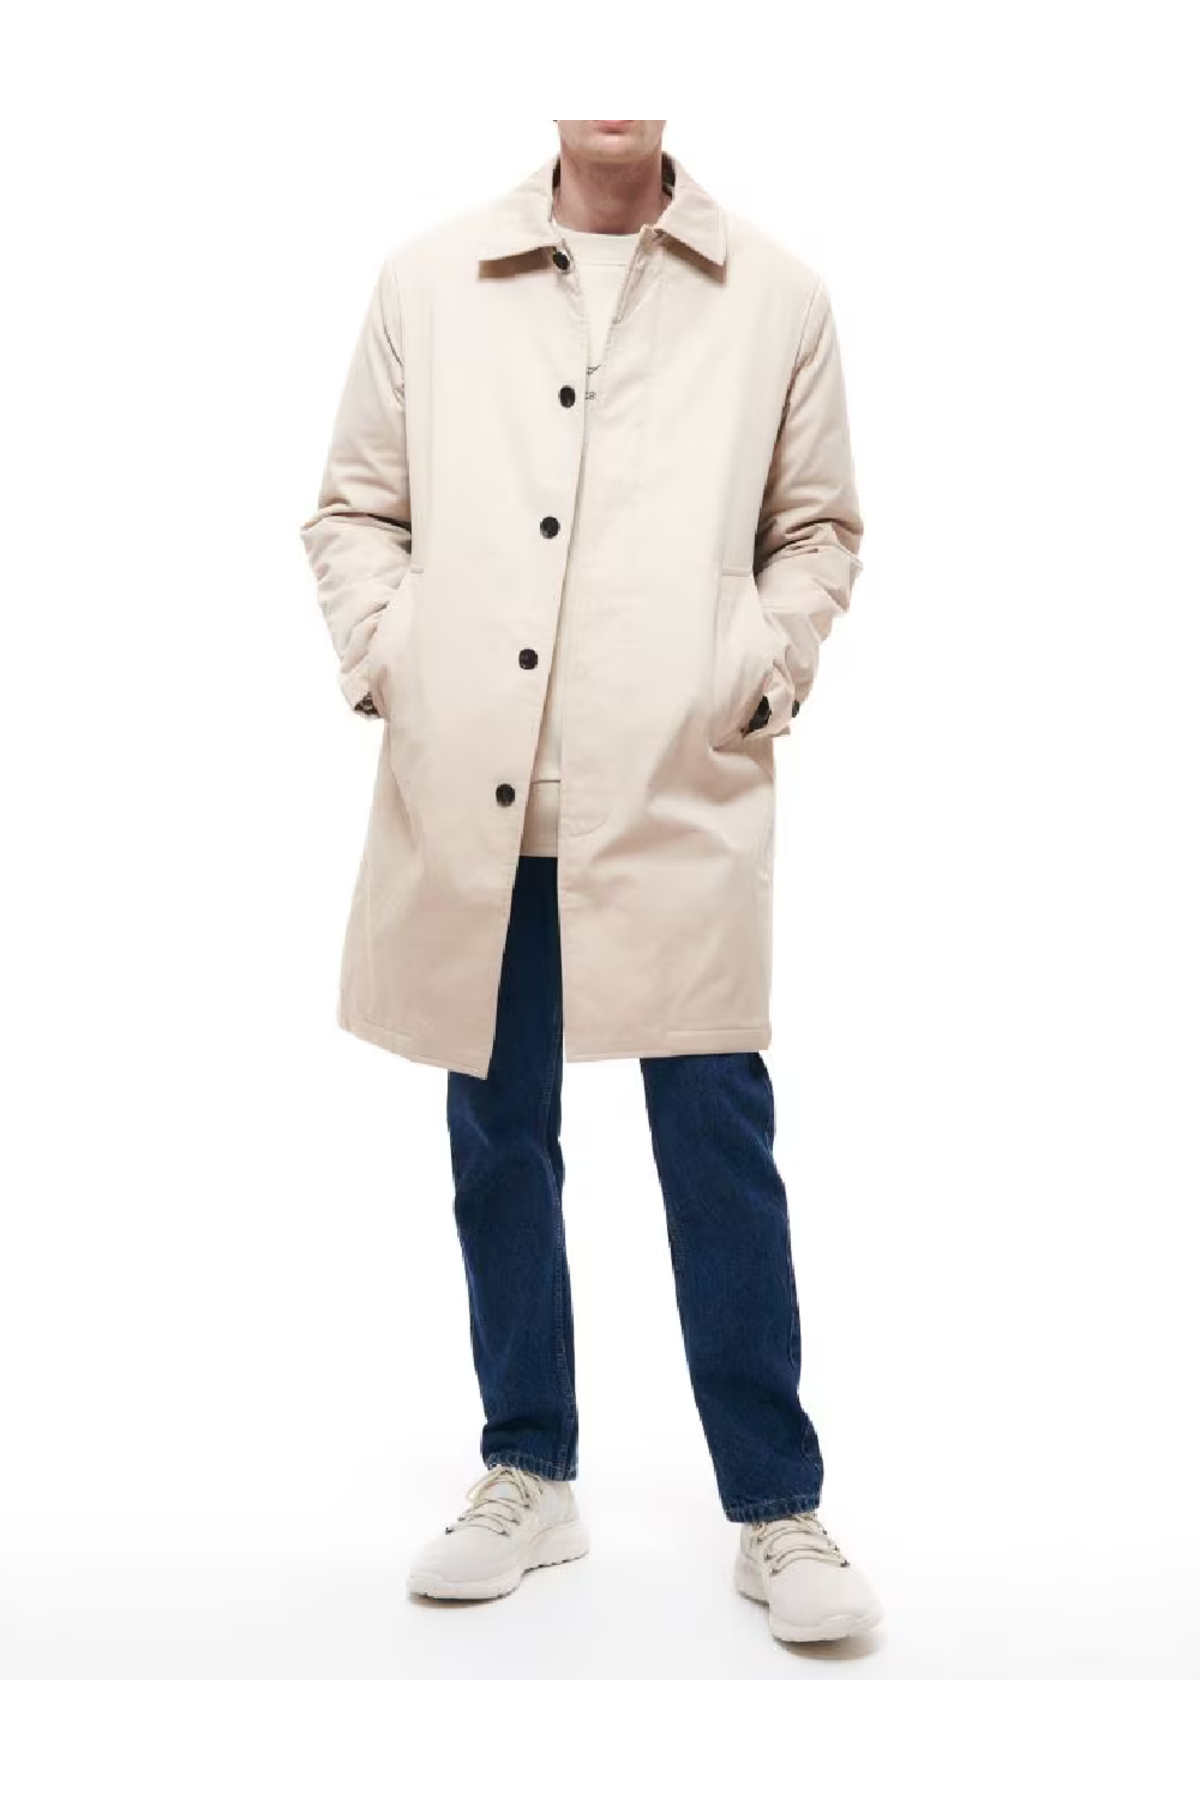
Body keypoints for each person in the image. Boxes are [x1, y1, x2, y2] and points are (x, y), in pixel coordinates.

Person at [300, 120, 883, 1645]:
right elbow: (355, 508)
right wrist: (398, 661)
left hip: (678, 789)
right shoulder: (430, 280)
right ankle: (529, 1467)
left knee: (717, 1140)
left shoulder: (776, 295)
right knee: (499, 1134)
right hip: (479, 798)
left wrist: (759, 663)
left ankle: (775, 1502)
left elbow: (817, 529)